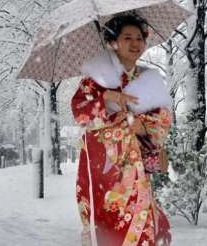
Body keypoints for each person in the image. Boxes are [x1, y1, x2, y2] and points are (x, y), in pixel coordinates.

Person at [71, 13, 173, 246]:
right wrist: (107, 96)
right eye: (127, 37)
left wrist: (144, 127)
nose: (135, 43)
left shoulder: (149, 78)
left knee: (140, 223)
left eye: (139, 38)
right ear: (113, 42)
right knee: (107, 224)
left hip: (135, 168)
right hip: (103, 169)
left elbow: (163, 119)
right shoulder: (96, 79)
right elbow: (80, 112)